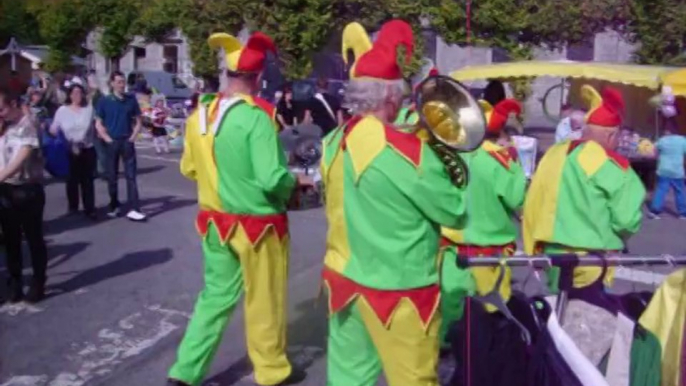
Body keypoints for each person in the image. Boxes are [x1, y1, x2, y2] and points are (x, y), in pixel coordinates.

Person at [321, 20, 467, 386]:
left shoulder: (334, 139)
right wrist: (436, 153)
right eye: (401, 93)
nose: (404, 99)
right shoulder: (411, 154)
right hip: (400, 293)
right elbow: (455, 211)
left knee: (348, 379)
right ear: (389, 98)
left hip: (343, 281)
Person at [167, 31, 311, 386]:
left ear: (228, 75)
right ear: (258, 78)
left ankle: (184, 372)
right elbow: (271, 178)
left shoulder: (198, 116)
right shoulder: (256, 117)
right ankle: (272, 370)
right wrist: (298, 182)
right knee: (264, 300)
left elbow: (188, 168)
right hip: (257, 225)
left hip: (215, 224)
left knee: (214, 299)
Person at [523, 85, 645, 293]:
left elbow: (532, 201)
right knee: (586, 320)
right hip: (593, 257)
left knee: (555, 315)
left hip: (552, 252)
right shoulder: (614, 166)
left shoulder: (554, 154)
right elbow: (626, 221)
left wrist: (532, 249)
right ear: (610, 136)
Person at [439, 98, 526, 346]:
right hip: (488, 257)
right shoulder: (499, 161)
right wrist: (514, 162)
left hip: (451, 254)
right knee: (492, 320)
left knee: (449, 319)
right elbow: (517, 199)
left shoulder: (447, 154)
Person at [0, 88, 48, 303]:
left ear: (13, 104)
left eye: (1, 109)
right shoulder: (4, 126)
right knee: (10, 240)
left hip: (28, 190)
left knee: (33, 238)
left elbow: (21, 156)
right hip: (6, 190)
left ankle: (38, 282)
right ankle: (15, 282)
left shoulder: (29, 123)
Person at [95, 71, 146, 222]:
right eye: (118, 82)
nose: (121, 85)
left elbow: (138, 120)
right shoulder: (105, 101)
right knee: (112, 176)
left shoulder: (131, 100)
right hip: (112, 141)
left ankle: (134, 207)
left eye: (123, 82)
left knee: (131, 176)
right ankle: (114, 205)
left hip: (126, 140)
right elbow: (98, 123)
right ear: (112, 84)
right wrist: (107, 138)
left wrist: (132, 137)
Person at [50, 80, 97, 220]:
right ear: (69, 95)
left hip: (87, 148)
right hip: (70, 149)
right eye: (74, 93)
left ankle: (89, 208)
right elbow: (54, 129)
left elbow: (98, 124)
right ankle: (73, 207)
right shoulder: (62, 111)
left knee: (87, 181)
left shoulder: (89, 109)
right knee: (72, 180)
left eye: (79, 92)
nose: (77, 95)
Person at [647, 127, 686, 219]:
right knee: (679, 191)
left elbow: (653, 151)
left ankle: (654, 211)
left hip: (663, 169)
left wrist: (658, 156)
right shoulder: (682, 140)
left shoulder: (662, 140)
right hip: (677, 170)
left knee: (661, 190)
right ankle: (682, 213)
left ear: (668, 131)